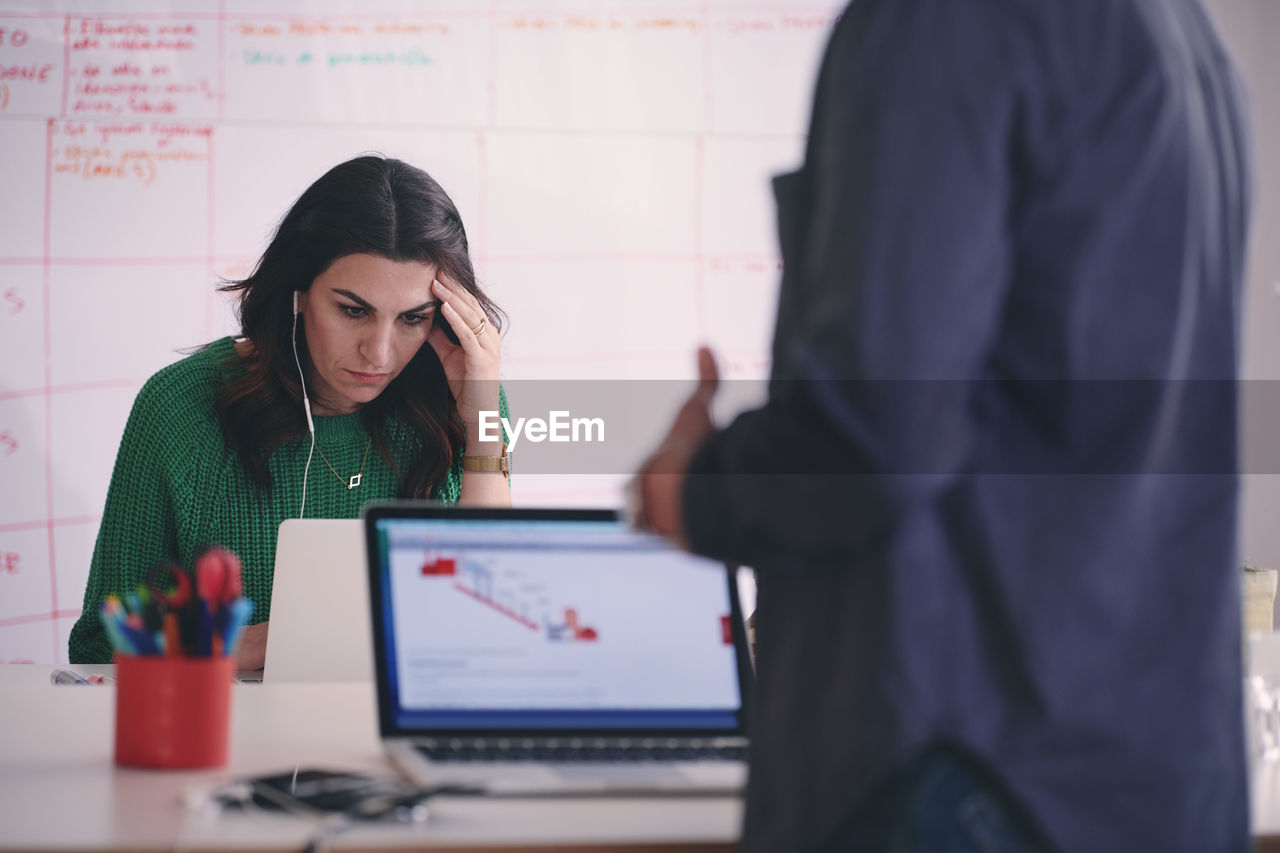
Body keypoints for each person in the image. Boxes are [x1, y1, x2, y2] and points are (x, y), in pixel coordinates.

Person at [634, 0, 1252, 851]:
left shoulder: (942, 22)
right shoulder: (1186, 37)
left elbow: (878, 435)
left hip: (959, 768)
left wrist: (696, 489)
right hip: (1141, 779)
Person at [69, 155, 511, 668]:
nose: (381, 353)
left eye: (413, 318)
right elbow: (100, 645)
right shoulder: (181, 406)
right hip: (238, 740)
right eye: (353, 310)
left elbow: (494, 618)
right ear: (298, 293)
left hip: (396, 733)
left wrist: (481, 418)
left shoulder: (464, 405)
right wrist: (241, 646)